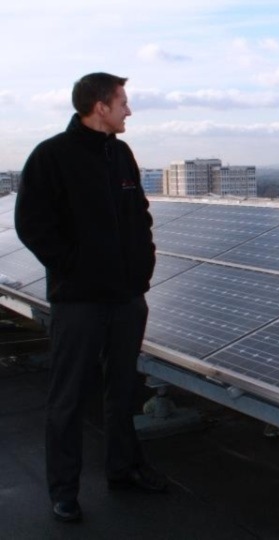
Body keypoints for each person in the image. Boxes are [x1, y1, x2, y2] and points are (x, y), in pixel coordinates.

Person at [15, 72, 167, 523]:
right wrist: (74, 267)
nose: (129, 110)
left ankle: (123, 470)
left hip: (125, 297)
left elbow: (139, 215)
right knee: (68, 398)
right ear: (100, 106)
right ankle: (64, 490)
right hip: (79, 300)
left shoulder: (120, 154)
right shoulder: (52, 156)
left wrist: (143, 266)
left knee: (122, 390)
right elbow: (32, 224)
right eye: (123, 102)